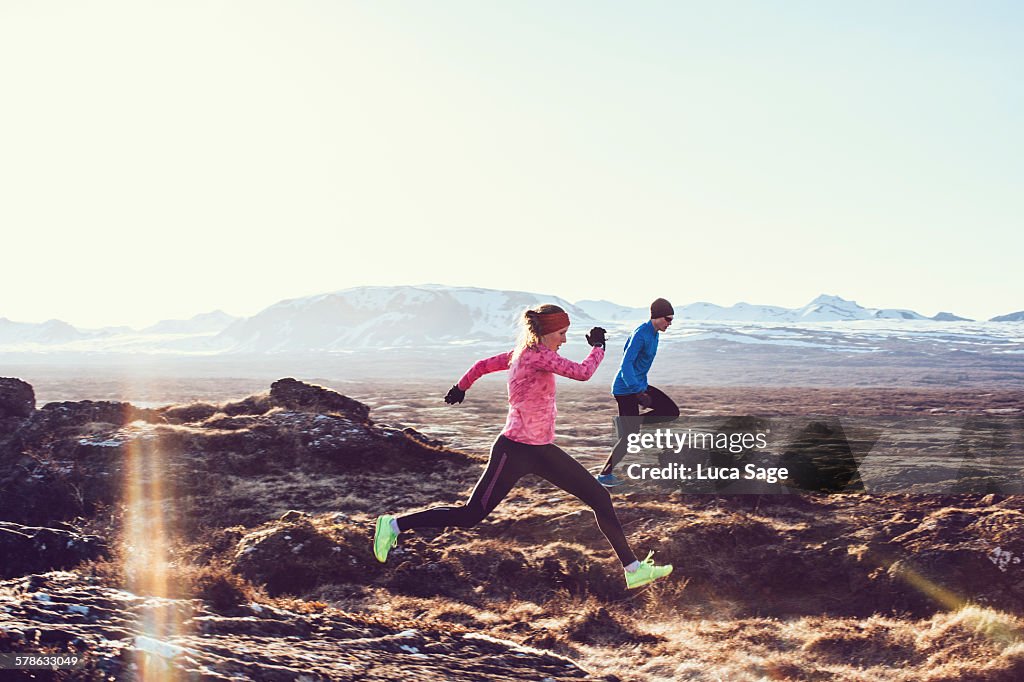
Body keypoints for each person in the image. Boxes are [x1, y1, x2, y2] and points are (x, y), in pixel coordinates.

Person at [373, 304, 672, 589]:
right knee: (470, 515)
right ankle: (395, 525)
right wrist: (599, 347)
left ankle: (633, 570)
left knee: (599, 497)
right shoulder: (537, 356)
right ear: (545, 333)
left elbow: (481, 365)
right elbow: (582, 373)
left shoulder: (522, 353)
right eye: (561, 334)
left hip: (542, 451)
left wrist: (461, 387)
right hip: (514, 451)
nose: (565, 340)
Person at [596, 297, 681, 487]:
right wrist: (636, 391)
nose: (670, 323)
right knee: (628, 437)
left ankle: (633, 424)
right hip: (625, 389)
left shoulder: (655, 333)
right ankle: (604, 475)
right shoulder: (641, 334)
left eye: (672, 319)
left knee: (671, 412)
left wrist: (641, 388)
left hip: (639, 385)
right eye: (668, 319)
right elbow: (626, 364)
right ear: (657, 316)